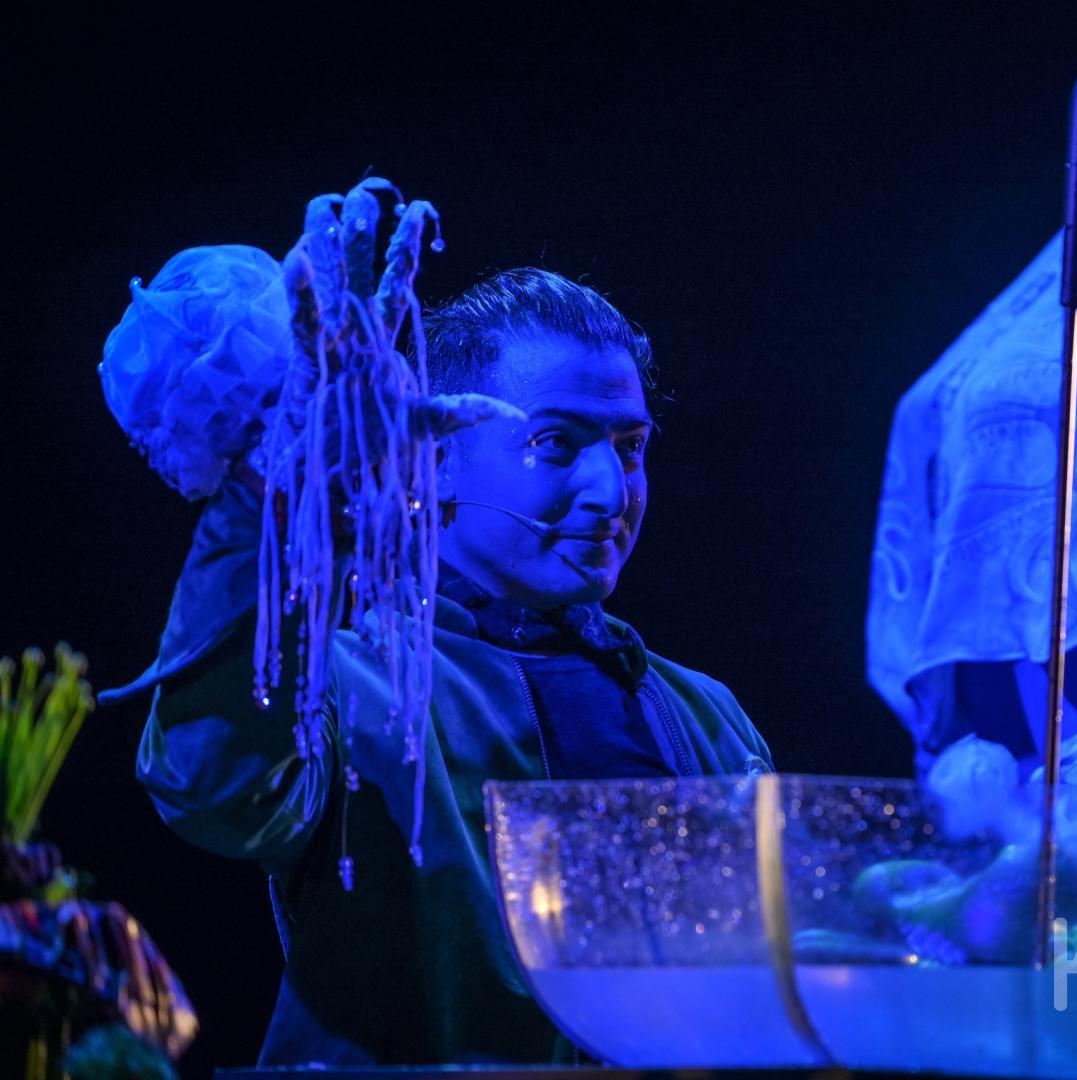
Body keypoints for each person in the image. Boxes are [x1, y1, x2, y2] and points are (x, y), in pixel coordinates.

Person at [101, 268, 774, 1067]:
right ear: (437, 457)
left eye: (629, 448)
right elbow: (211, 783)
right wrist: (267, 501)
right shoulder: (351, 685)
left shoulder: (706, 715)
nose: (610, 492)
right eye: (555, 443)